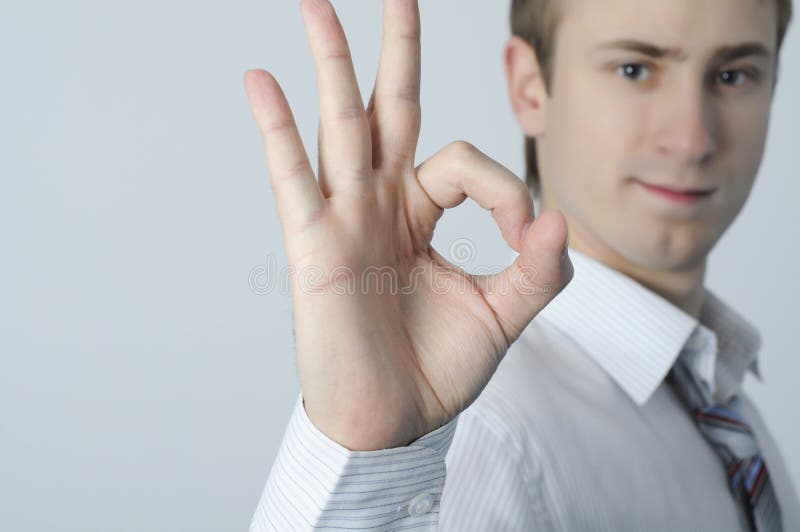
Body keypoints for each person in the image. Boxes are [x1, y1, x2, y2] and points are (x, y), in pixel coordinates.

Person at [243, 0, 799, 529]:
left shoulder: (720, 396)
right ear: (529, 86)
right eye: (634, 69)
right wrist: (365, 446)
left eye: (733, 75)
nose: (692, 139)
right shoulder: (486, 437)